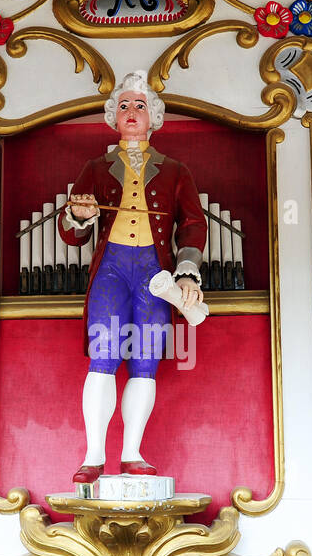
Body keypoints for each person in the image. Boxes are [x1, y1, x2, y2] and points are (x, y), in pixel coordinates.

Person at [59, 70, 206, 484]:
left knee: (145, 362)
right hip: (112, 269)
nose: (131, 111)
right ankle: (92, 455)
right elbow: (70, 233)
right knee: (103, 359)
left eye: (139, 105)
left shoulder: (176, 170)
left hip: (155, 271)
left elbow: (193, 225)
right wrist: (78, 215)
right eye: (123, 105)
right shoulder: (95, 167)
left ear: (154, 117)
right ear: (113, 117)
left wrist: (187, 272)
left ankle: (131, 453)